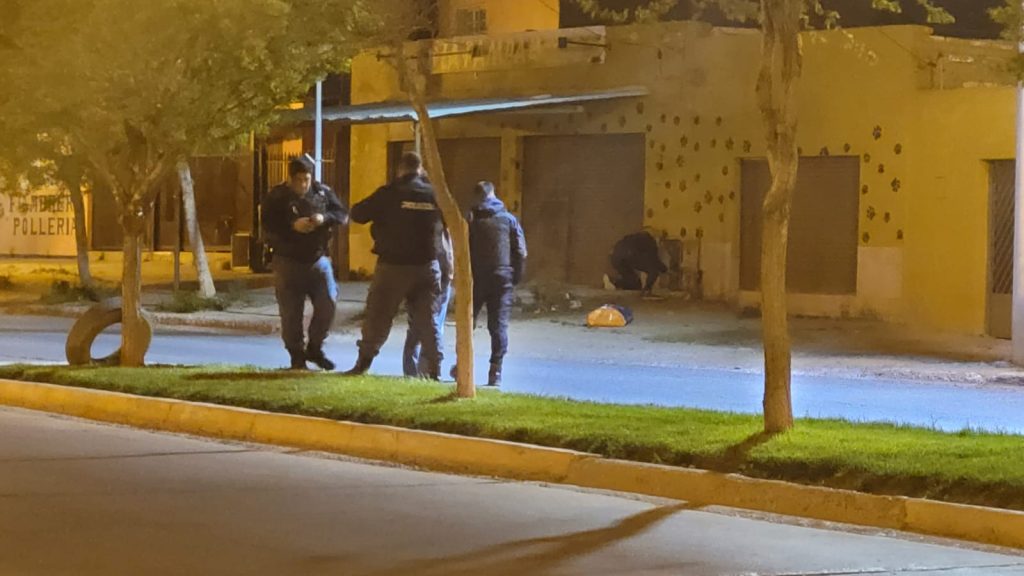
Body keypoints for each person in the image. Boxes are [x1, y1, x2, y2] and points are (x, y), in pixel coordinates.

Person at [345, 152, 445, 379]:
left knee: (378, 316)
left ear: (400, 170)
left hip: (393, 267)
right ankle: (434, 369)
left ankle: (363, 364)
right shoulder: (434, 195)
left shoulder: (388, 193)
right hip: (428, 266)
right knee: (428, 319)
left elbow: (358, 213)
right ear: (420, 169)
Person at [261, 155, 348, 370]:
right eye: (298, 180)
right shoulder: (277, 197)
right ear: (290, 179)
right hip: (287, 261)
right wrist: (292, 226)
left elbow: (341, 214)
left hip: (318, 259)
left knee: (328, 302)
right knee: (291, 313)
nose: (303, 184)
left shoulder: (322, 192)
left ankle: (315, 348)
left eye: (306, 179)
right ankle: (297, 357)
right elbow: (268, 225)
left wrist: (323, 218)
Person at [455, 181, 526, 387]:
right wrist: (515, 277)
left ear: (477, 196)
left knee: (467, 322)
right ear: (494, 195)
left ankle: (462, 367)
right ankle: (496, 371)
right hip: (501, 277)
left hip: (475, 278)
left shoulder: (469, 219)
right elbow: (521, 251)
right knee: (498, 326)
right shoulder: (509, 219)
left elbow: (461, 249)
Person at [403, 229, 453, 378]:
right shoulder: (441, 223)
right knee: (431, 323)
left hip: (429, 274)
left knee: (420, 325)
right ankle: (427, 369)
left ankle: (417, 370)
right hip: (435, 274)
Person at [606, 230, 668, 296]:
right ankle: (647, 290)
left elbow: (654, 261)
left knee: (634, 282)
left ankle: (614, 282)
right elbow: (654, 261)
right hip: (629, 256)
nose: (661, 244)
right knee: (653, 271)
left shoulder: (635, 238)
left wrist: (664, 269)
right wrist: (665, 270)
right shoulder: (650, 242)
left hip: (616, 258)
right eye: (661, 240)